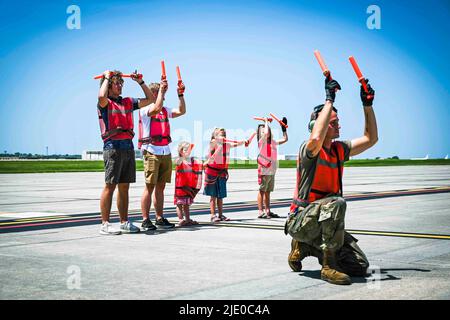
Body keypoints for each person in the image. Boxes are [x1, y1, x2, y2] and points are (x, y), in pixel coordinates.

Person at [285, 75, 378, 285]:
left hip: (322, 222)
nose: (339, 126)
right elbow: (316, 139)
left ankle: (306, 246)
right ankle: (328, 266)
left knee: (360, 267)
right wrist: (329, 99)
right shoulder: (309, 150)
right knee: (336, 202)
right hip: (300, 221)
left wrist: (367, 105)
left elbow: (371, 138)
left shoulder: (338, 150)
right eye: (333, 122)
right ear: (320, 124)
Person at [97, 70, 153, 235]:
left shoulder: (128, 102)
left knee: (124, 187)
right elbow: (101, 96)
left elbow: (150, 99)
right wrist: (106, 77)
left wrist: (141, 82)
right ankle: (105, 224)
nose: (120, 86)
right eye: (117, 83)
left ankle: (124, 221)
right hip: (112, 146)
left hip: (127, 146)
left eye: (121, 83)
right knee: (110, 185)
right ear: (108, 86)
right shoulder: (105, 102)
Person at [138, 77, 186, 230]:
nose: (164, 95)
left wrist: (180, 95)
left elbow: (182, 111)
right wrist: (161, 91)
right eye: (161, 92)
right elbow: (156, 108)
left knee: (161, 187)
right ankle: (145, 219)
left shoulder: (165, 110)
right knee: (149, 186)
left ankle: (159, 217)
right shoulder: (145, 109)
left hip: (165, 150)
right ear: (153, 93)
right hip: (151, 150)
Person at [204, 128, 246, 223]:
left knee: (220, 195)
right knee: (213, 195)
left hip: (222, 172)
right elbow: (213, 154)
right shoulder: (213, 143)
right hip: (212, 172)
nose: (223, 136)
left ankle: (220, 214)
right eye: (220, 134)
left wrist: (244, 142)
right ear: (214, 136)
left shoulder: (226, 144)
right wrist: (219, 143)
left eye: (224, 134)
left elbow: (237, 144)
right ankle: (213, 215)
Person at [256, 117, 288, 219]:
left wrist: (284, 129)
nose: (266, 131)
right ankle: (261, 211)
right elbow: (265, 134)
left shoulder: (273, 142)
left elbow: (285, 139)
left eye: (267, 129)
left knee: (268, 191)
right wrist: (265, 121)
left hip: (272, 170)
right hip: (264, 169)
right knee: (262, 190)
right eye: (263, 130)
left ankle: (268, 210)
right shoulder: (262, 142)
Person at [174, 142, 202, 226]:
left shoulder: (191, 161)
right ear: (181, 151)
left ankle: (187, 219)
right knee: (179, 204)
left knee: (186, 204)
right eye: (186, 150)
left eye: (189, 150)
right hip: (180, 187)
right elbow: (177, 162)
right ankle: (181, 219)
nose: (188, 152)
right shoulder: (179, 160)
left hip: (188, 186)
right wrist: (182, 157)